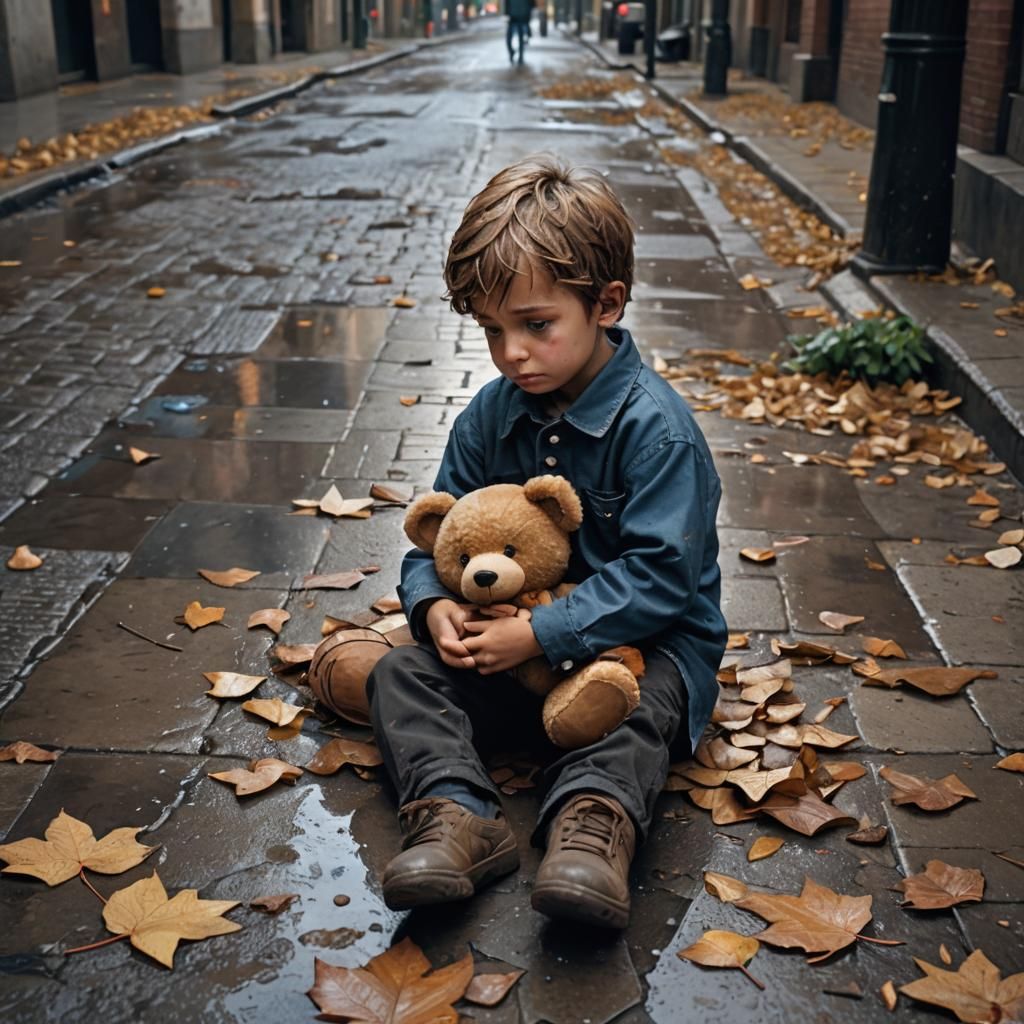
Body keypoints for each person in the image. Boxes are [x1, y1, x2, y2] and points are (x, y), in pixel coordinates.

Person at [366, 157, 726, 929]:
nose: (511, 354)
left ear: (606, 303)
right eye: (493, 331)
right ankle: (457, 814)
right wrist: (433, 608)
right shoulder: (489, 417)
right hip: (508, 653)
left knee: (638, 708)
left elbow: (665, 577)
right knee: (400, 673)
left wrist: (541, 630)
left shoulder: (655, 429)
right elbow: (439, 541)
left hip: (635, 653)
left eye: (535, 325)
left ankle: (590, 828)